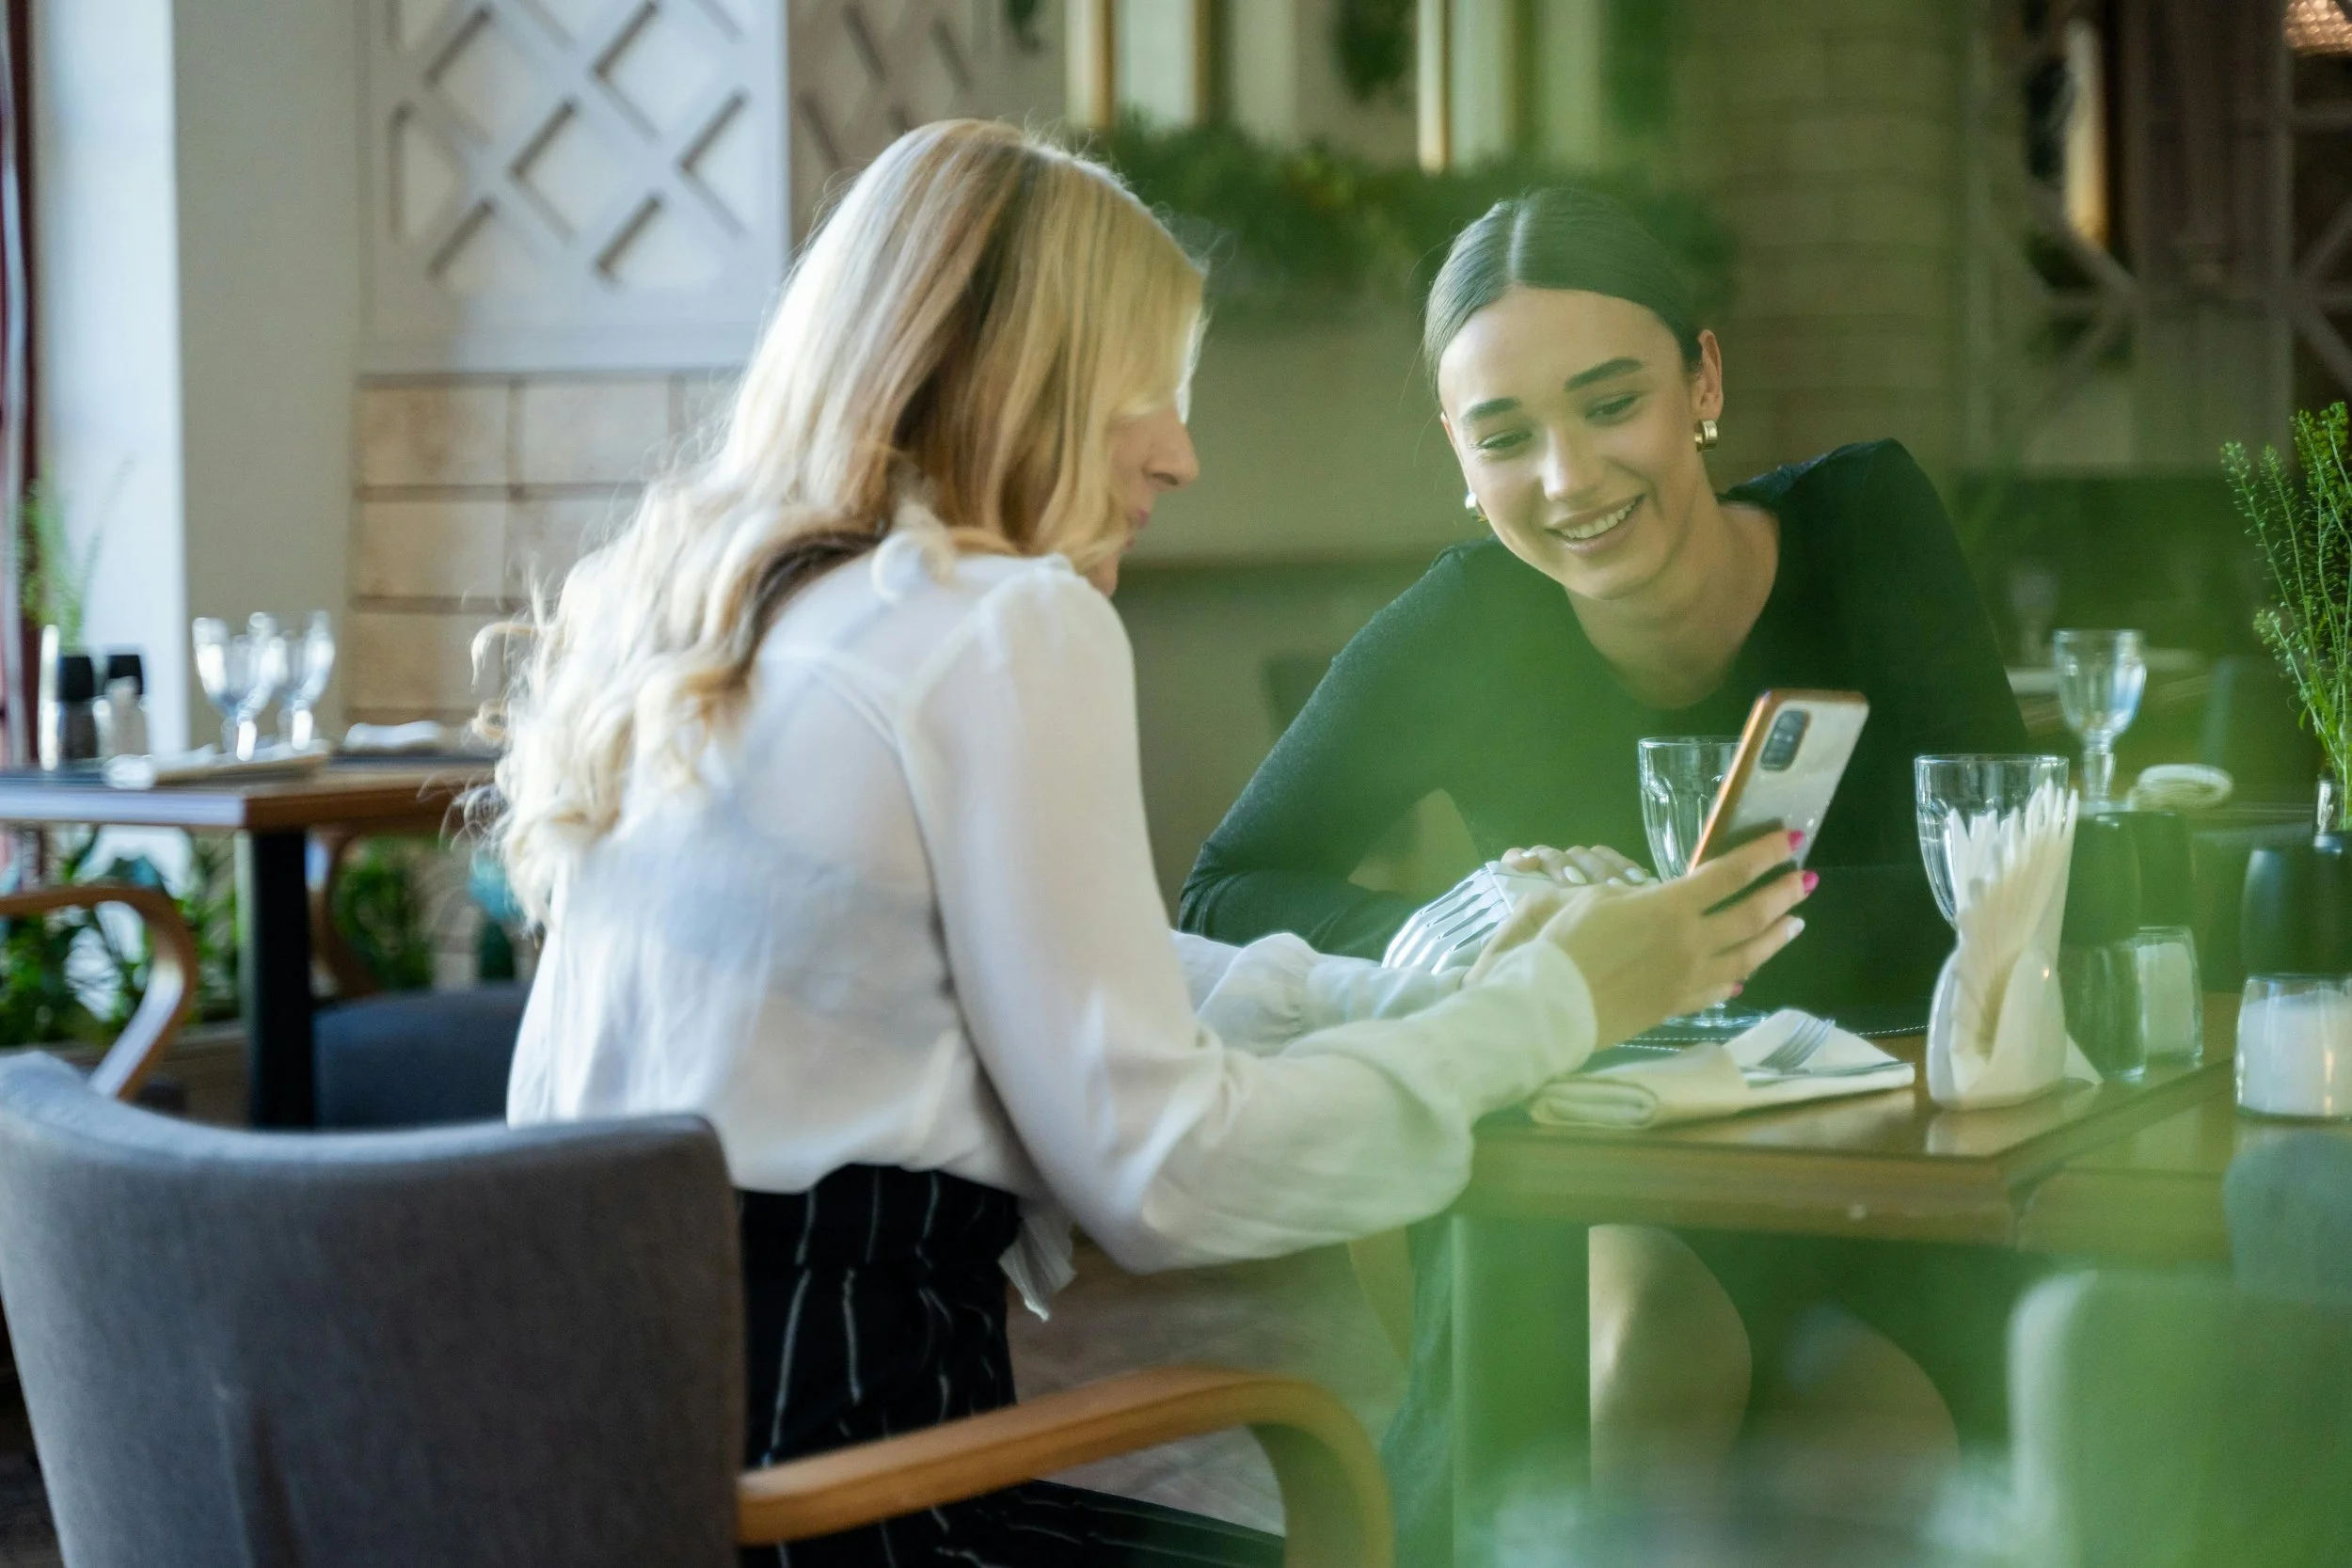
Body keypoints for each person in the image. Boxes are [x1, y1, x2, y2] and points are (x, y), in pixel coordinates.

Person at [486, 123, 1811, 1568]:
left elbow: (1086, 962)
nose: (1182, 455)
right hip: (853, 1522)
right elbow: (1172, 1173)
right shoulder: (1003, 622)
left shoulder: (739, 620)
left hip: (617, 1495)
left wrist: (1422, 990)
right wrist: (1565, 1005)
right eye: (1151, 390)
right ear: (1021, 380)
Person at [1178, 188, 2032, 1550]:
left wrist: (1680, 936)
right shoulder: (1463, 626)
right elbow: (1225, 891)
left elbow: (2000, 864)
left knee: (1888, 1428)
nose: (1568, 476)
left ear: (1703, 379)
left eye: (1609, 401)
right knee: (1647, 1345)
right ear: (1460, 458)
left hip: (1871, 1175)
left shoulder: (1864, 521)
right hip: (1589, 1176)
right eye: (1506, 435)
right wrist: (1490, 928)